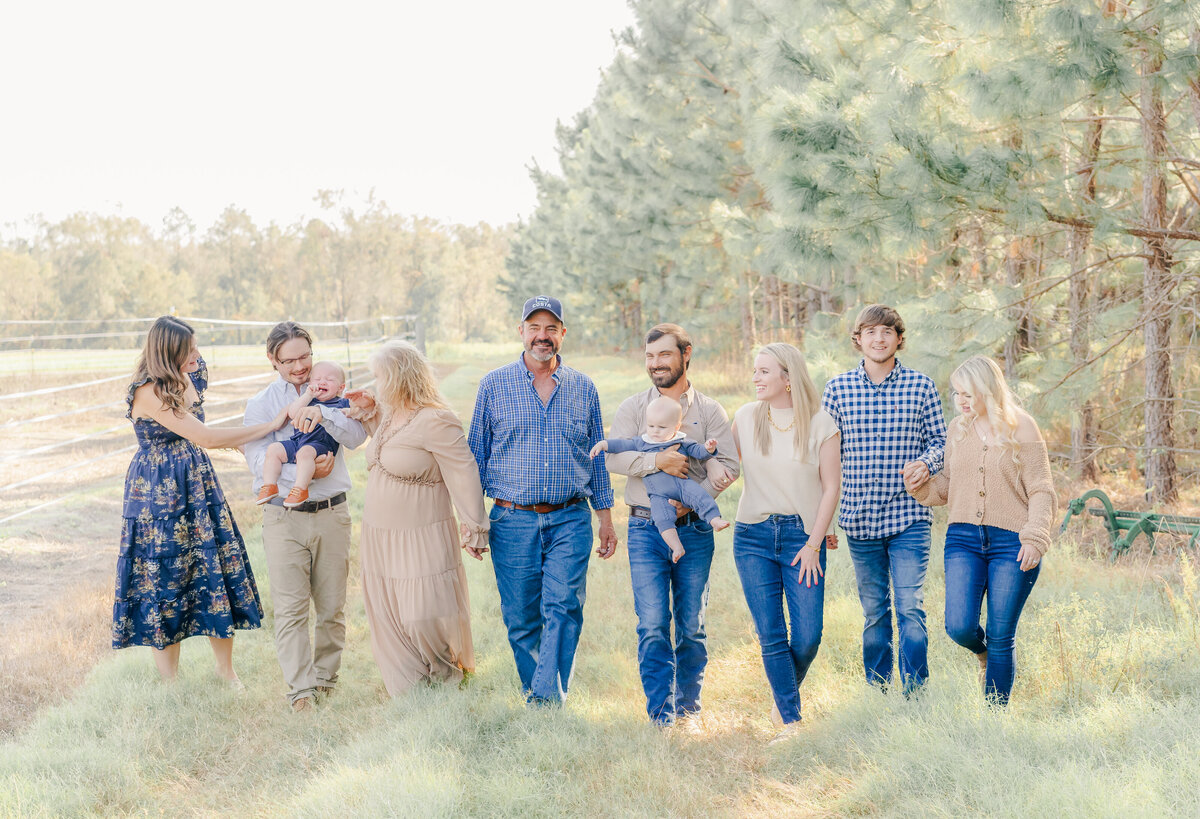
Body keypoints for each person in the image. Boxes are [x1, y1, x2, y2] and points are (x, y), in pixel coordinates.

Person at [114, 315, 290, 684]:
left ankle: (226, 672)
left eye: (195, 346)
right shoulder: (149, 391)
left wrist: (189, 372)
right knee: (163, 580)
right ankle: (170, 682)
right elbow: (206, 437)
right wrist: (271, 426)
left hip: (195, 482)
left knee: (213, 569)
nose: (197, 354)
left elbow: (199, 421)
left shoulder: (190, 374)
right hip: (158, 493)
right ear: (167, 353)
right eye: (188, 349)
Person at [467, 295, 618, 705]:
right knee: (520, 618)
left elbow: (596, 461)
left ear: (563, 334)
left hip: (570, 518)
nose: (542, 336)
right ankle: (539, 689)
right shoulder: (494, 385)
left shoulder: (584, 388)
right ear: (521, 331)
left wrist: (605, 519)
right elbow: (474, 457)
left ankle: (545, 700)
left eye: (551, 328)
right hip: (511, 520)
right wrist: (472, 520)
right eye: (534, 327)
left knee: (565, 606)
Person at [604, 323, 739, 728]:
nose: (655, 364)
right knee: (651, 625)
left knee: (692, 624)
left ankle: (688, 709)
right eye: (649, 357)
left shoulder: (710, 411)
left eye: (664, 355)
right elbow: (614, 459)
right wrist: (656, 463)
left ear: (686, 354)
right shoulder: (633, 408)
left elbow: (729, 465)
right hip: (645, 530)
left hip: (695, 530)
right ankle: (660, 716)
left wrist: (691, 498)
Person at [337, 341, 489, 696]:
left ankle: (447, 676)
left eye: (379, 378)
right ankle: (411, 689)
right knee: (392, 614)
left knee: (423, 613)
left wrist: (475, 526)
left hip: (422, 535)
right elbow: (392, 447)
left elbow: (463, 472)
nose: (375, 384)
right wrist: (371, 411)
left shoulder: (436, 419)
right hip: (381, 536)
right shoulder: (390, 415)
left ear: (399, 377)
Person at [905, 355, 1055, 705]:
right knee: (959, 626)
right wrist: (919, 485)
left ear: (989, 389)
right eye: (957, 394)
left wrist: (1034, 537)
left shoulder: (1023, 427)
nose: (961, 401)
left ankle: (994, 717)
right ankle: (982, 654)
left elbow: (1041, 488)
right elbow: (946, 486)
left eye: (968, 393)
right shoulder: (958, 429)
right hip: (963, 540)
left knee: (1002, 634)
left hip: (1012, 542)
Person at [822, 304, 946, 696]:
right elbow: (823, 456)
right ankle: (877, 689)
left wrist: (926, 463)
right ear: (858, 339)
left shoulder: (921, 386)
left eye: (887, 332)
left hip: (908, 514)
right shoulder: (837, 389)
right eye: (870, 332)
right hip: (859, 517)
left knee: (910, 606)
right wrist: (822, 521)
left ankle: (915, 694)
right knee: (875, 611)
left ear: (899, 339)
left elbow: (941, 441)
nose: (879, 338)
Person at [243, 322, 367, 713]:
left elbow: (356, 437)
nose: (299, 366)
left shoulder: (334, 387)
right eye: (290, 360)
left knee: (332, 607)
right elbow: (257, 458)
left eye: (304, 356)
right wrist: (306, 468)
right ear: (272, 361)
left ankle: (326, 680)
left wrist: (326, 422)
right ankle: (300, 691)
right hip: (283, 517)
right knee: (292, 607)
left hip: (331, 513)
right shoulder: (261, 404)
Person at [731, 343, 840, 742]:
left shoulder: (821, 423)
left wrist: (813, 544)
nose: (755, 378)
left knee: (808, 635)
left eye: (764, 371)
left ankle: (782, 695)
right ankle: (791, 721)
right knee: (771, 633)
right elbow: (723, 468)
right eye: (755, 371)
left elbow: (831, 489)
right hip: (752, 536)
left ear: (788, 378)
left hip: (801, 539)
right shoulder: (745, 417)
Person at [590, 395, 730, 563]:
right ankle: (676, 546)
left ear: (676, 426)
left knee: (700, 495)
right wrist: (604, 444)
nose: (655, 431)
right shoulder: (643, 442)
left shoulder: (682, 440)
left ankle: (715, 520)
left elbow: (698, 452)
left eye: (662, 427)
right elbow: (622, 446)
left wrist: (708, 449)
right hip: (657, 494)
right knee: (662, 518)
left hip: (682, 485)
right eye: (651, 426)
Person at [256, 360, 351, 508]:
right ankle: (270, 485)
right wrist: (307, 395)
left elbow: (352, 419)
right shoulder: (308, 400)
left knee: (305, 453)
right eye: (317, 379)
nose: (323, 382)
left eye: (329, 379)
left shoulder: (342, 403)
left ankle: (300, 489)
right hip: (298, 441)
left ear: (341, 387)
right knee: (274, 449)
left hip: (321, 444)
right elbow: (293, 413)